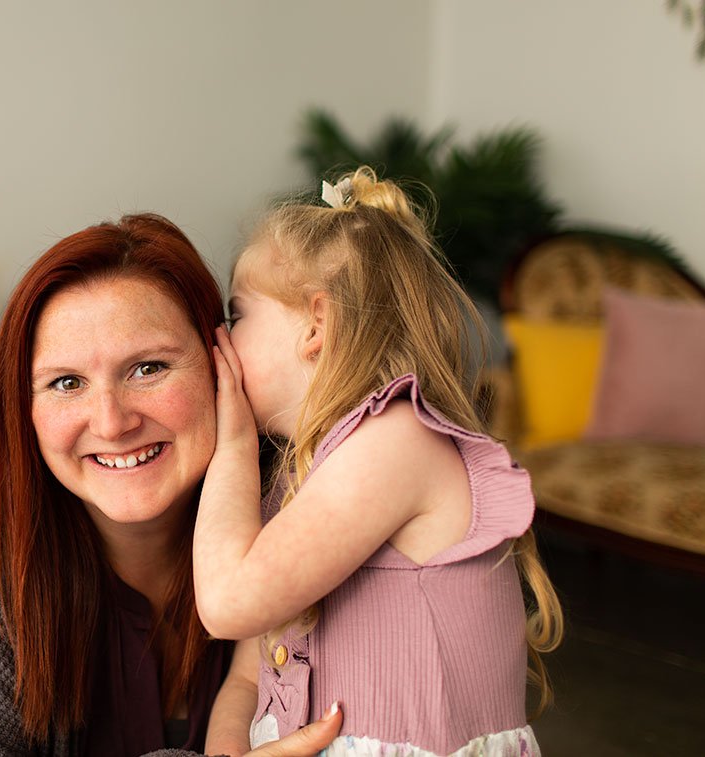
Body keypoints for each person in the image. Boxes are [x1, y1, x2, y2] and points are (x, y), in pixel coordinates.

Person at [0, 213, 342, 756]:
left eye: (149, 368)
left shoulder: (299, 498)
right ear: (24, 407)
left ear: (221, 364)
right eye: (66, 383)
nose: (112, 422)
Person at [193, 168, 564, 757]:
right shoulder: (304, 477)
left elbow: (227, 603)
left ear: (316, 322)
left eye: (238, 316)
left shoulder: (396, 441)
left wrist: (233, 444)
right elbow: (246, 674)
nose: (224, 339)